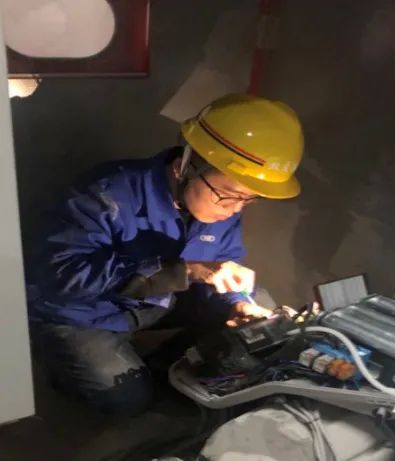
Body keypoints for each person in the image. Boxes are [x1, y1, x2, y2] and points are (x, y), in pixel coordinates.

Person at [27, 93, 304, 416]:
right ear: (187, 164)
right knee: (126, 401)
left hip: (156, 302)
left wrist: (237, 302)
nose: (234, 209)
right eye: (228, 195)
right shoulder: (106, 193)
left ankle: (158, 367)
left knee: (257, 318)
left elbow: (222, 265)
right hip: (84, 312)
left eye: (249, 200)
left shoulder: (224, 206)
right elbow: (61, 275)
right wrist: (183, 271)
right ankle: (65, 366)